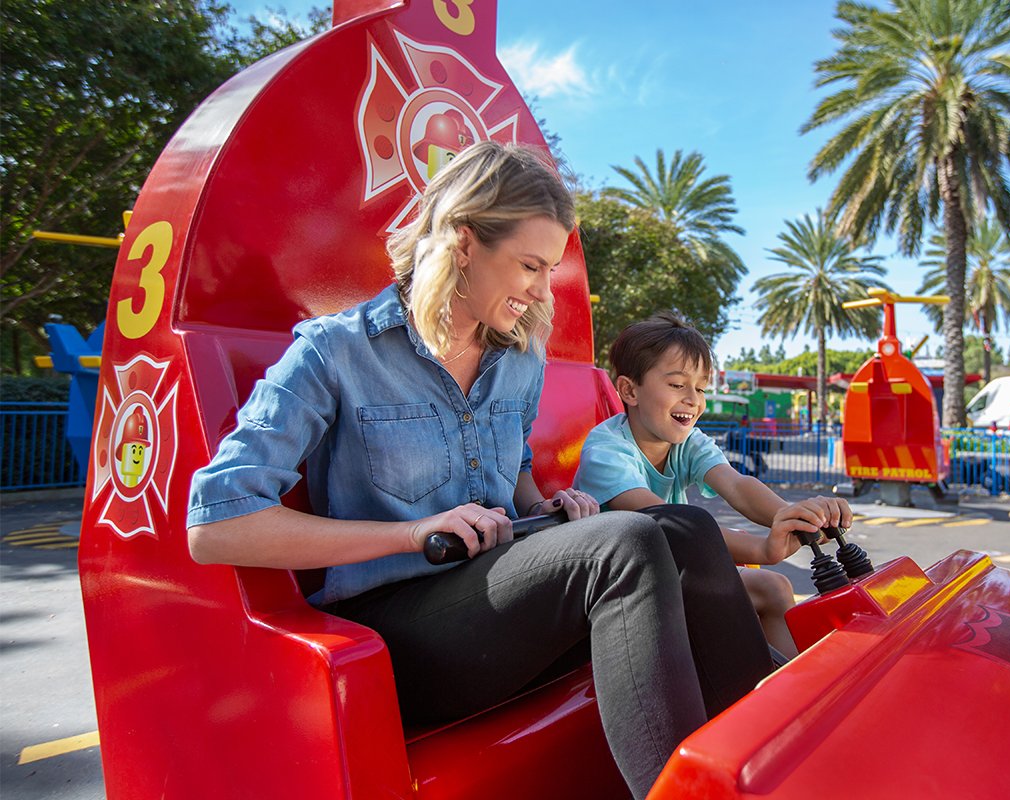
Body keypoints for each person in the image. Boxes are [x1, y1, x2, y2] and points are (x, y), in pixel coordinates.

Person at [185, 143, 774, 797]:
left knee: (685, 528)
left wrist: (547, 507)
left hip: (497, 601)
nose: (542, 291)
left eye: (549, 270)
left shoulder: (520, 359)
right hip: (399, 633)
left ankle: (762, 763)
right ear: (464, 243)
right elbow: (218, 525)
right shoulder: (335, 353)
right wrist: (412, 533)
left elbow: (513, 474)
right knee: (626, 544)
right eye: (530, 266)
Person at [573, 313, 853, 660]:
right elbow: (666, 519)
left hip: (663, 569)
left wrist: (797, 516)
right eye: (677, 385)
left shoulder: (686, 441)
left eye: (701, 388)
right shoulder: (606, 451)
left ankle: (788, 686)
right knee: (770, 586)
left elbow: (736, 485)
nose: (693, 400)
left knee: (774, 587)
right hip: (611, 586)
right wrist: (761, 550)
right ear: (630, 390)